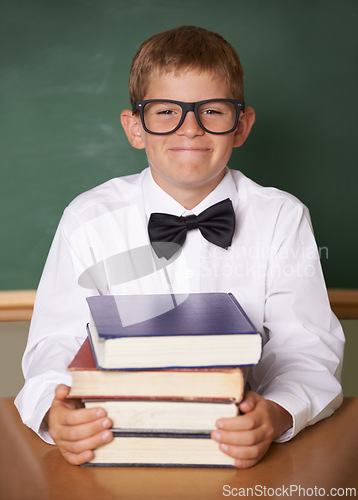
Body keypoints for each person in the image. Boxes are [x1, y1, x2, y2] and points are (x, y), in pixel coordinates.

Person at [15, 25, 344, 469]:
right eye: (166, 111)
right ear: (135, 127)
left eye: (212, 110)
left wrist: (276, 413)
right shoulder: (88, 217)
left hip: (242, 450)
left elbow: (306, 349)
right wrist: (58, 415)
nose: (190, 128)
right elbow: (56, 343)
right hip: (114, 444)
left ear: (241, 125)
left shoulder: (281, 217)